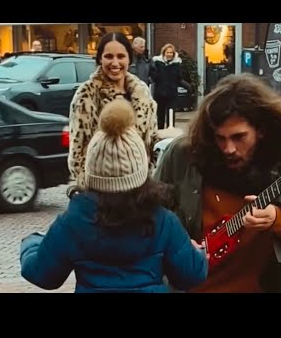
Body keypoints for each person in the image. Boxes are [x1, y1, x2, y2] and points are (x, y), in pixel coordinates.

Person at [153, 73, 281, 293]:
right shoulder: (183, 155)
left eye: (239, 137)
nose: (228, 149)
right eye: (220, 138)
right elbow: (147, 216)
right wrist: (175, 243)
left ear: (261, 130)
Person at [20, 99, 209, 293]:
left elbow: (42, 274)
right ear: (141, 172)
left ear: (92, 173)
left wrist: (31, 243)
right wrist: (198, 253)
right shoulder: (162, 220)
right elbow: (192, 275)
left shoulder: (73, 221)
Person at [68, 32, 158, 189]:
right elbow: (78, 151)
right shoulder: (87, 94)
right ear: (100, 59)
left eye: (121, 56)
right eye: (109, 56)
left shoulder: (142, 92)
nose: (115, 62)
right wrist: (90, 190)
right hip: (102, 193)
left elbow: (150, 141)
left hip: (139, 190)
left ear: (129, 59)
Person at [150, 43, 191, 129]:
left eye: (171, 53)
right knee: (160, 116)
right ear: (164, 53)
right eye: (167, 52)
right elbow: (154, 78)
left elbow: (178, 79)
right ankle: (160, 133)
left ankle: (170, 132)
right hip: (159, 94)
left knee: (171, 115)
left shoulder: (176, 65)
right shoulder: (157, 63)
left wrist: (188, 87)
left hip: (172, 94)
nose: (169, 54)